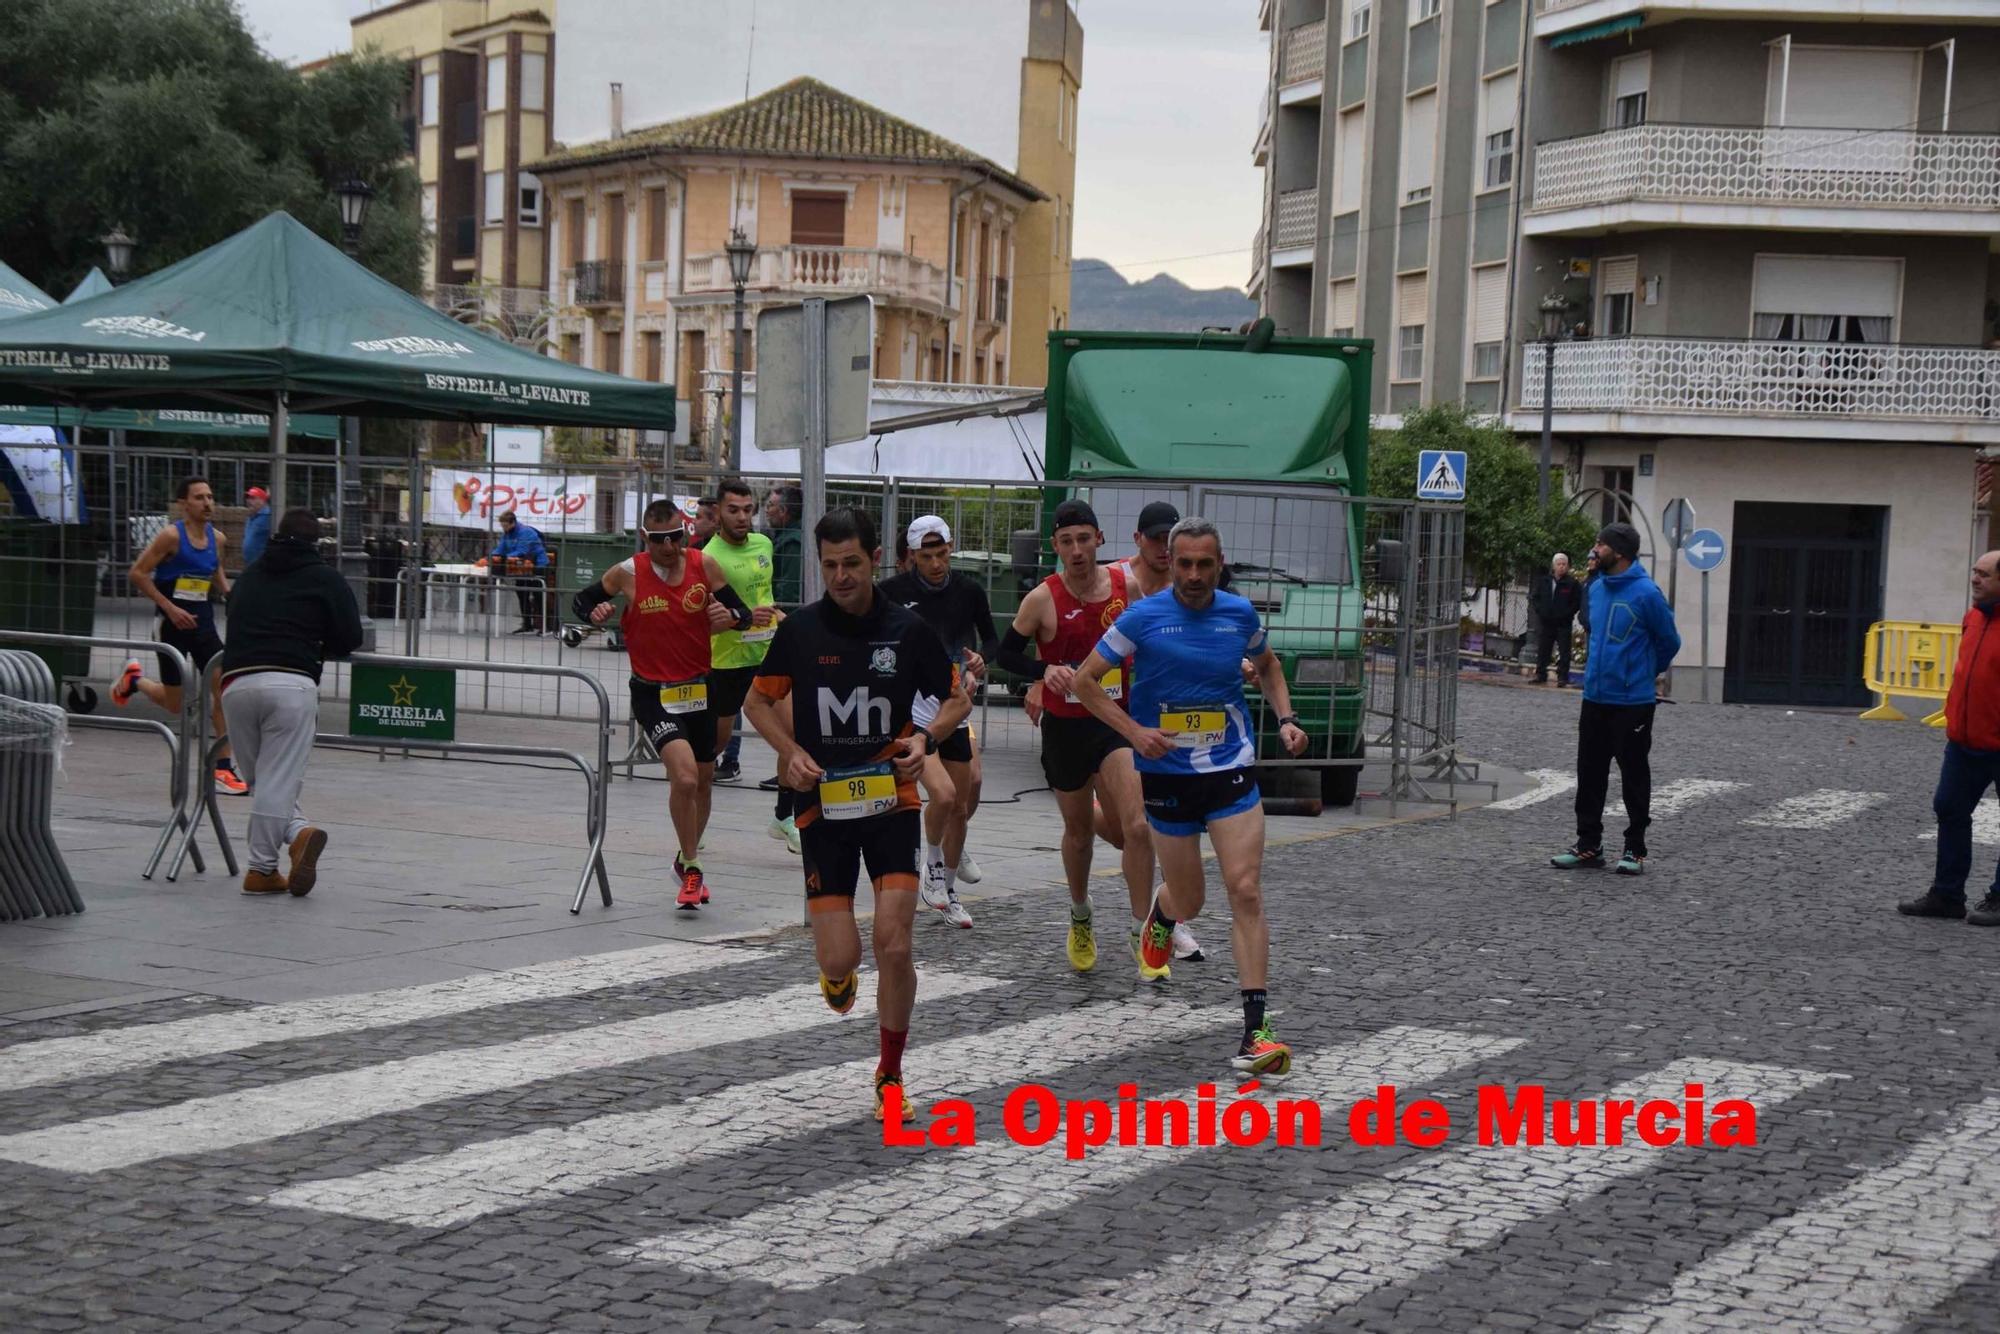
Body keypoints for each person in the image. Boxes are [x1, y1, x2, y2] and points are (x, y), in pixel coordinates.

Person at [742, 506, 967, 1119]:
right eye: (830, 566)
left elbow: (955, 698)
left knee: (894, 946)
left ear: (875, 561)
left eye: (852, 564)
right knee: (841, 960)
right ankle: (836, 975)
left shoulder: (908, 630)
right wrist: (789, 753)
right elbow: (757, 704)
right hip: (824, 807)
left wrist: (925, 741)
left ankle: (890, 1075)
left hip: (891, 799)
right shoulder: (801, 631)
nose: (841, 576)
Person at [1072, 515, 1309, 1077]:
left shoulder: (1239, 613)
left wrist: (1287, 718)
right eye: (1185, 564)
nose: (1195, 575)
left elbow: (1269, 666)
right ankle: (1163, 913)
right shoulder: (1144, 617)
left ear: (1219, 562)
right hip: (1168, 775)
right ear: (1169, 562)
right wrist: (1134, 734)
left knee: (1245, 889)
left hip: (1230, 766)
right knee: (1191, 899)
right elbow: (1085, 681)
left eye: (1206, 564)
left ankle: (1256, 1030)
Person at [996, 499, 1197, 976]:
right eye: (1067, 542)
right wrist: (1043, 673)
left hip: (1114, 721)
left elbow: (1156, 634)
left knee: (1137, 826)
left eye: (1084, 539)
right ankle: (1080, 914)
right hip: (1065, 727)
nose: (1077, 550)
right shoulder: (1042, 599)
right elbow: (1005, 653)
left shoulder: (1125, 586)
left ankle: (1141, 932)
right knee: (1081, 834)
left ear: (1099, 540)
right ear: (1056, 547)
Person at [572, 498, 758, 909]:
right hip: (654, 693)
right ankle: (693, 868)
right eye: (661, 540)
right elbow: (581, 603)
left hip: (700, 688)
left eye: (678, 535)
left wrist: (730, 618)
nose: (672, 546)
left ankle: (683, 855)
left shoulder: (703, 565)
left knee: (704, 781)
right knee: (686, 778)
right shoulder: (627, 573)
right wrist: (595, 613)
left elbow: (741, 613)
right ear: (646, 538)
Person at [215, 508, 364, 895]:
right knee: (276, 781)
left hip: (235, 682)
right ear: (317, 543)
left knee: (263, 781)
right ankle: (261, 870)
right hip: (290, 683)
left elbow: (231, 614)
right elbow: (350, 636)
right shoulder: (324, 578)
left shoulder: (249, 576)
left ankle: (299, 835)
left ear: (276, 535)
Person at [881, 515, 998, 928]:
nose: (935, 563)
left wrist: (981, 660)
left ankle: (948, 889)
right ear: (911, 557)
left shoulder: (968, 590)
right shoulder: (893, 592)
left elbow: (992, 638)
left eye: (941, 553)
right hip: (913, 710)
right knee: (944, 797)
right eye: (926, 556)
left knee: (962, 805)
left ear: (952, 549)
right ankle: (931, 864)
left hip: (955, 704)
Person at [1550, 522, 1681, 876]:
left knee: (1634, 775)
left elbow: (1669, 640)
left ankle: (1635, 848)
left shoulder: (1646, 594)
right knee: (1589, 774)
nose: (1594, 549)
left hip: (1632, 702)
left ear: (1618, 552)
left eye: (1599, 544)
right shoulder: (1595, 589)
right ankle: (1588, 845)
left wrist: (1642, 673)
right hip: (1595, 697)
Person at [112, 476, 245, 796]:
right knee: (174, 704)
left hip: (203, 625)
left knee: (222, 689)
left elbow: (214, 570)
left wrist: (228, 593)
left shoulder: (219, 538)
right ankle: (134, 681)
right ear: (184, 504)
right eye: (199, 498)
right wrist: (169, 608)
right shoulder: (171, 537)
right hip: (171, 625)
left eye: (211, 497)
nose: (208, 503)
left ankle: (223, 767)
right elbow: (137, 574)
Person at [1900, 550, 2000, 926]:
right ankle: (1947, 895)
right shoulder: (1972, 618)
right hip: (1964, 741)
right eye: (1974, 572)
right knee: (1949, 809)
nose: (1975, 579)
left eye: (1985, 575)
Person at [703, 481, 780, 787]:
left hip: (768, 653)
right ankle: (695, 795)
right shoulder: (708, 557)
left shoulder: (764, 544)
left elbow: (764, 593)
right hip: (727, 660)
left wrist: (777, 615)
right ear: (718, 512)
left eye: (747, 510)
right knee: (713, 747)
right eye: (733, 510)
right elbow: (704, 618)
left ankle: (784, 815)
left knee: (794, 735)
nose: (741, 517)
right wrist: (740, 619)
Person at [491, 510, 552, 635]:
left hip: (537, 565)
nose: (504, 529)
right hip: (520, 567)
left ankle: (547, 626)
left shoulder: (526, 532)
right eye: (502, 526)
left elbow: (521, 551)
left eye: (506, 526)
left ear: (513, 522)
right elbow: (500, 548)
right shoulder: (507, 534)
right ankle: (527, 624)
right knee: (522, 594)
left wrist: (504, 558)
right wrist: (492, 557)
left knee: (538, 596)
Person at [1530, 553, 1583, 687]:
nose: (1561, 567)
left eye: (1564, 564)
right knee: (1544, 649)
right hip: (1547, 621)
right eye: (1559, 564)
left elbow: (1576, 602)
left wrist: (1567, 613)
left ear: (1568, 566)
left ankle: (1562, 677)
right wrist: (1541, 611)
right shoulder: (1545, 581)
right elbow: (1535, 598)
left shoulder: (1572, 583)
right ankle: (1540, 674)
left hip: (1563, 623)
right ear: (1554, 566)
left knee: (1564, 650)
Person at [241, 487, 272, 566]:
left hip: (263, 565)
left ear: (262, 501)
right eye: (248, 498)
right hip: (250, 564)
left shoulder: (269, 517)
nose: (248, 501)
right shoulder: (251, 517)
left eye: (253, 498)